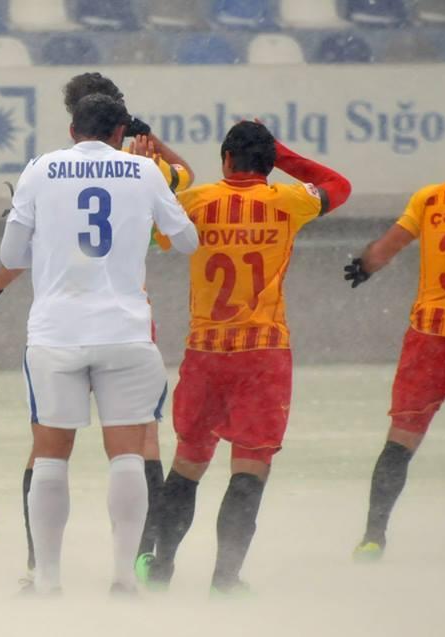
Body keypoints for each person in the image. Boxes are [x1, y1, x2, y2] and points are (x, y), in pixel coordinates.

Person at [0, 72, 196, 578]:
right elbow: (188, 226)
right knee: (132, 450)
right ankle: (129, 573)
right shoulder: (145, 169)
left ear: (71, 125)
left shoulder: (41, 170)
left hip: (57, 331)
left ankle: (43, 575)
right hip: (125, 328)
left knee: (47, 452)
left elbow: (15, 255)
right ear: (120, 127)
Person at [138, 121, 351, 595]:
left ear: (226, 160)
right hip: (263, 354)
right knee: (250, 467)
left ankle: (161, 566)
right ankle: (226, 578)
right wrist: (283, 154)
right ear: (269, 164)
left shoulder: (195, 202)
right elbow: (339, 185)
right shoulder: (289, 202)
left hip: (206, 351)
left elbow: (151, 234)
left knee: (188, 463)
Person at [345, 132, 445, 561]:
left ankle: (373, 537)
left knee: (401, 441)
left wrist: (365, 266)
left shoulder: (431, 198)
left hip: (432, 338)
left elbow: (387, 248)